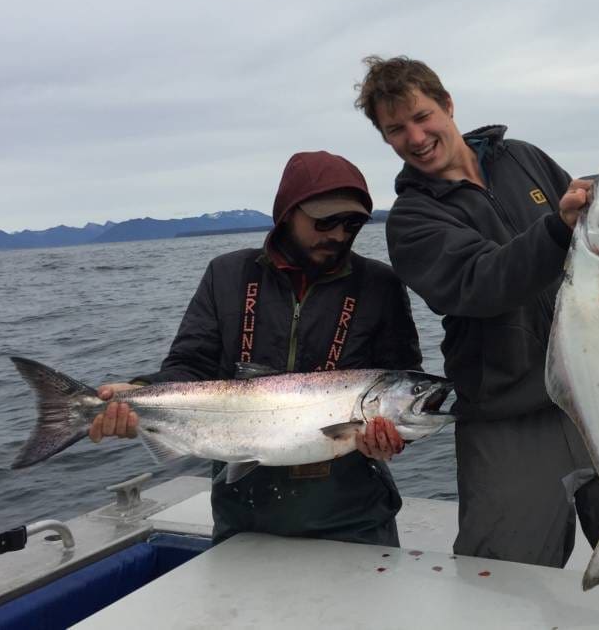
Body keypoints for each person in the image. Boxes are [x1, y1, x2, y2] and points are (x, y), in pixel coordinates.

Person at [354, 56, 599, 625]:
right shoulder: (411, 220)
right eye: (396, 129)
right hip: (507, 416)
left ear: (448, 105)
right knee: (500, 588)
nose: (415, 138)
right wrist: (556, 228)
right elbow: (480, 283)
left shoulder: (523, 158)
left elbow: (588, 236)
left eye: (422, 117)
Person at [89, 150, 422, 547]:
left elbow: (402, 387)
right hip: (243, 514)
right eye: (324, 221)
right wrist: (140, 392)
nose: (338, 234)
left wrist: (393, 438)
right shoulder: (227, 275)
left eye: (352, 223)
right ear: (287, 213)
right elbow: (190, 364)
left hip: (355, 516)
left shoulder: (380, 285)